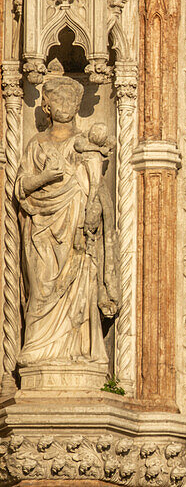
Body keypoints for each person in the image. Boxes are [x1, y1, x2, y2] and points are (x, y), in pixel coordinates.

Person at [15, 60, 118, 370]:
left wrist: (91, 214)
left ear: (78, 104)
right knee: (42, 285)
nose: (64, 105)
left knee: (78, 283)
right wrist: (46, 177)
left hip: (76, 230)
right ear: (45, 105)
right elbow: (20, 188)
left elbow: (97, 193)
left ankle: (80, 350)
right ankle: (37, 347)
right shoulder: (37, 144)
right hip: (41, 230)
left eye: (70, 100)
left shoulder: (85, 146)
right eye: (57, 99)